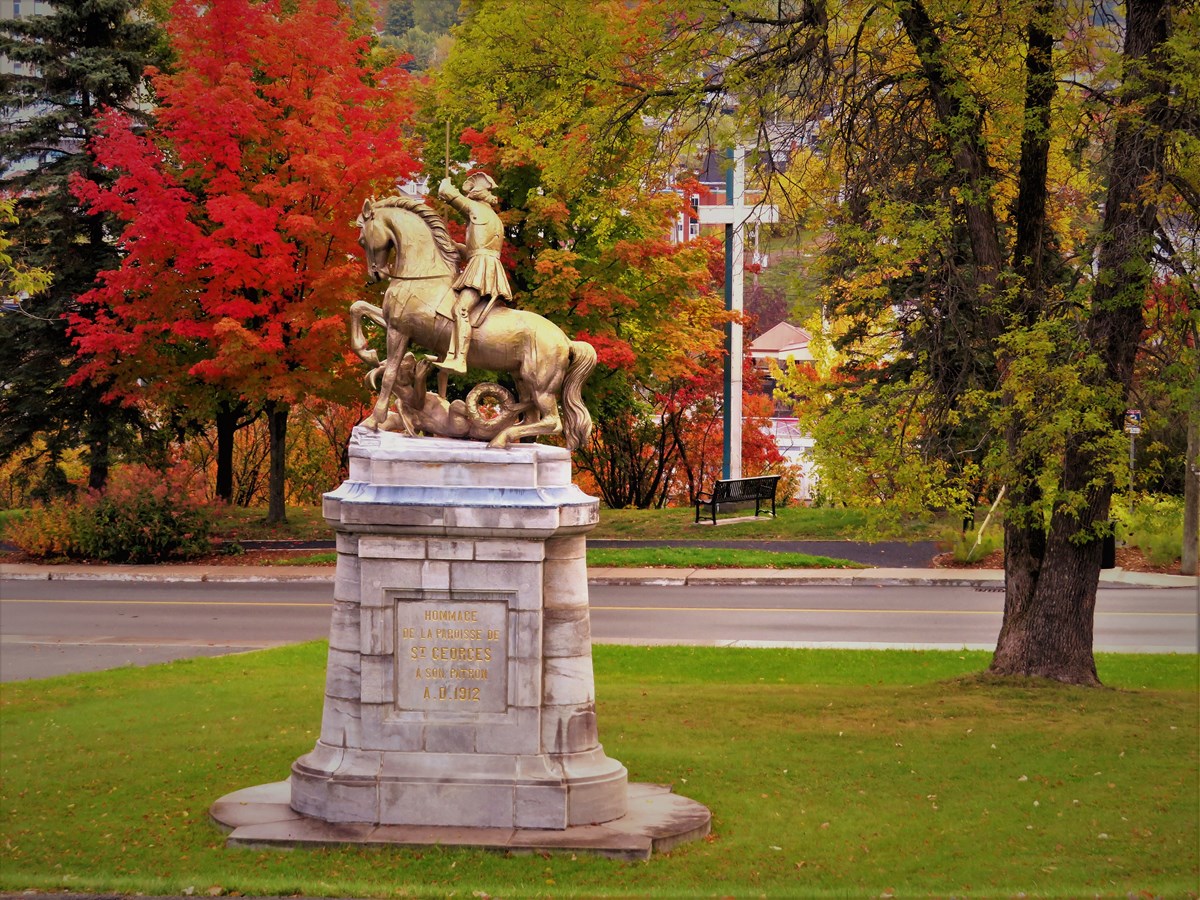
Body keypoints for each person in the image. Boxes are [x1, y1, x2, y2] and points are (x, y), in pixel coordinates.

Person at [436, 171, 512, 374]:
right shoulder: (494, 218)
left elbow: (446, 192)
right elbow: (476, 250)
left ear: (476, 194)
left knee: (460, 309)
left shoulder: (476, 209)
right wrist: (454, 246)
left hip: (481, 269)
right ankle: (447, 353)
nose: (467, 196)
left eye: (470, 192)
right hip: (485, 265)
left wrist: (446, 182)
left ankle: (460, 360)